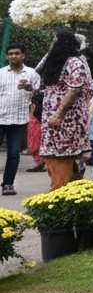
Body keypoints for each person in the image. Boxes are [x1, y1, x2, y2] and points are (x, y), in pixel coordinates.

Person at [35, 28, 93, 190]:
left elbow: (74, 89)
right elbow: (37, 73)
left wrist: (58, 115)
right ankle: (64, 198)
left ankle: (61, 201)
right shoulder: (56, 60)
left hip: (66, 121)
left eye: (55, 41)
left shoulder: (76, 61)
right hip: (54, 121)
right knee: (55, 162)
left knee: (62, 163)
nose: (52, 45)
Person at [1, 42, 41, 195]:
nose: (13, 56)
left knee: (13, 154)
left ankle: (8, 184)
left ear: (23, 56)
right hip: (0, 118)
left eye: (17, 53)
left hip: (19, 120)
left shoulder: (31, 73)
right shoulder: (1, 73)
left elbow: (39, 93)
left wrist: (29, 88)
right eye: (10, 54)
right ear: (7, 56)